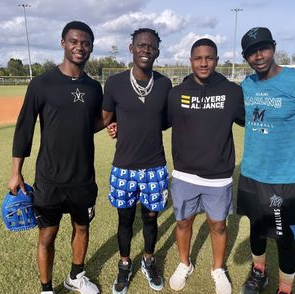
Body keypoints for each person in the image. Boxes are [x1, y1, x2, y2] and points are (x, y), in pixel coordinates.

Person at [8, 21, 103, 294]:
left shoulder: (94, 87)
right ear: (63, 43)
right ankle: (46, 288)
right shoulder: (41, 83)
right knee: (47, 235)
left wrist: (108, 124)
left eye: (85, 43)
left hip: (83, 177)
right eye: (74, 41)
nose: (79, 47)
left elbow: (91, 122)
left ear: (91, 47)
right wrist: (16, 172)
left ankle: (75, 276)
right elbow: (24, 128)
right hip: (49, 177)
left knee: (82, 228)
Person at [237, 27, 295, 294]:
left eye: (263, 48)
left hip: (285, 179)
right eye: (252, 52)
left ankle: (285, 289)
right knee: (255, 229)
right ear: (246, 57)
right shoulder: (247, 85)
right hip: (252, 173)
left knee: (285, 237)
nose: (258, 55)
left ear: (274, 47)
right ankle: (259, 274)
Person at [167, 38, 245, 294]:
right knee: (183, 223)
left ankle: (218, 269)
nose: (203, 63)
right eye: (198, 58)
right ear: (191, 61)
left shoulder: (232, 92)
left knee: (218, 225)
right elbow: (154, 121)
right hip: (184, 174)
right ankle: (184, 263)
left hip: (219, 177)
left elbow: (249, 121)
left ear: (217, 60)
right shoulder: (177, 94)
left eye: (209, 58)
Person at [102, 28, 172, 294]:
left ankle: (149, 259)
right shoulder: (116, 83)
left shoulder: (164, 84)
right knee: (125, 221)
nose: (146, 49)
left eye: (151, 46)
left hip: (155, 165)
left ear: (157, 50)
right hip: (123, 167)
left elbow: (165, 121)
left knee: (151, 219)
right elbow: (107, 117)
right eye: (141, 45)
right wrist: (114, 126)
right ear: (131, 48)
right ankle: (124, 263)